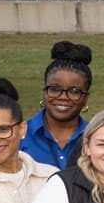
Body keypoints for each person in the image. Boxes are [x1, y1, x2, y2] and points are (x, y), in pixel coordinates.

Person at [21, 41, 93, 170]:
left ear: (85, 98)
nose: (63, 97)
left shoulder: (94, 137)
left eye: (74, 91)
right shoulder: (20, 135)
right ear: (45, 91)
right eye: (54, 89)